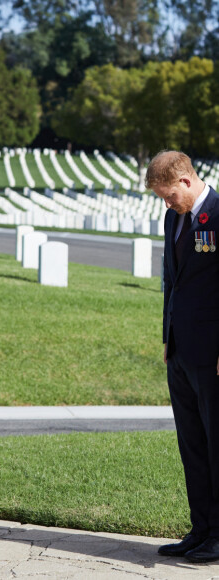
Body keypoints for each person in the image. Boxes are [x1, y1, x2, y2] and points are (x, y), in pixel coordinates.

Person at [146, 150, 219, 563]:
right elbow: (171, 281)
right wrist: (167, 338)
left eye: (170, 195)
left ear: (187, 181)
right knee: (191, 443)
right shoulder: (173, 217)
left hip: (212, 354)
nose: (167, 203)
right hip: (181, 350)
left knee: (216, 444)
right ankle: (201, 529)